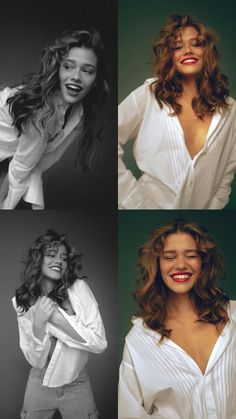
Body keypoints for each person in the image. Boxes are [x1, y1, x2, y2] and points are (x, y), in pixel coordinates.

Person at [119, 218, 236, 418]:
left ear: (203, 262)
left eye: (191, 255)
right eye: (169, 256)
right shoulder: (137, 340)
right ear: (157, 264)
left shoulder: (234, 316)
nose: (181, 265)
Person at [118, 15, 236, 209]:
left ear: (208, 51)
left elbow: (228, 168)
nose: (188, 50)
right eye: (178, 46)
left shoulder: (230, 109)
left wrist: (214, 206)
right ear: (169, 56)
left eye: (196, 44)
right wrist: (136, 202)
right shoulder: (149, 94)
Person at [0, 29, 109, 209]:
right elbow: (20, 169)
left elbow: (51, 156)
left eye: (87, 70)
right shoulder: (41, 111)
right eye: (68, 66)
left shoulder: (79, 114)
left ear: (96, 79)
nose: (76, 77)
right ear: (57, 69)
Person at [13, 229, 107, 419]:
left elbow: (99, 343)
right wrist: (38, 326)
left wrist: (58, 318)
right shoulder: (21, 300)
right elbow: (35, 360)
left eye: (64, 258)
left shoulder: (78, 289)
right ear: (38, 259)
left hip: (77, 385)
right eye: (51, 255)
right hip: (38, 384)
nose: (59, 261)